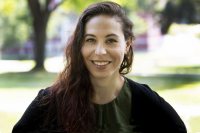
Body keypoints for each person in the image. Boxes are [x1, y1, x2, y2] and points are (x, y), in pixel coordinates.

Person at [12, 1, 187, 133]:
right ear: (80, 45)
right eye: (90, 40)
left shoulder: (145, 102)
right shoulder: (49, 102)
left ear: (127, 44)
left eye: (111, 40)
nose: (100, 51)